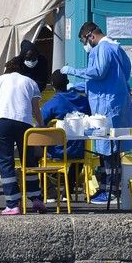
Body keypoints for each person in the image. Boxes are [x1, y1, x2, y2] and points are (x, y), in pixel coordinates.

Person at [60, 21, 132, 205]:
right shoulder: (116, 47)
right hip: (114, 101)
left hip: (107, 105)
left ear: (90, 36)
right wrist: (77, 86)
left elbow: (99, 72)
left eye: (83, 41)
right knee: (111, 149)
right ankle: (106, 188)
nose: (85, 46)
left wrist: (73, 71)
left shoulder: (103, 48)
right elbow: (111, 77)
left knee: (108, 149)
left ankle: (111, 190)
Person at [0, 59, 45, 215]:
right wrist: (41, 125)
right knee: (29, 161)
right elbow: (36, 109)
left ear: (7, 69)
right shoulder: (30, 82)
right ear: (22, 69)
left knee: (6, 162)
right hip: (24, 123)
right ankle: (36, 199)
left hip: (2, 122)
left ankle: (13, 203)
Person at [41, 70, 90, 198]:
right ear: (68, 83)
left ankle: (48, 189)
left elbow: (40, 123)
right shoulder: (83, 101)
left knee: (33, 153)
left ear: (52, 85)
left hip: (56, 150)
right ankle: (68, 188)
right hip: (78, 149)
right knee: (77, 158)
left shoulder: (52, 103)